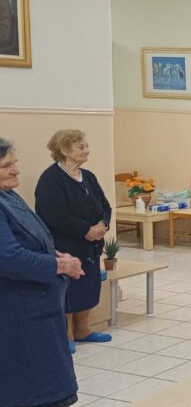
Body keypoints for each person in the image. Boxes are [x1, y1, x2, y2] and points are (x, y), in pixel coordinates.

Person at [0, 138, 83, 407]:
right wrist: (58, 265)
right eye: (7, 166)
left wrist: (55, 254)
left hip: (33, 306)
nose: (16, 170)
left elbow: (28, 241)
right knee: (41, 386)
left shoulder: (7, 196)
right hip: (19, 313)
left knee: (22, 386)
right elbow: (8, 258)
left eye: (14, 162)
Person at [34, 129, 113, 349]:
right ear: (64, 149)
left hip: (91, 246)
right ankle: (66, 335)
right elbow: (54, 215)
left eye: (87, 146)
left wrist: (103, 224)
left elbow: (105, 206)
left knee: (87, 286)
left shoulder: (88, 176)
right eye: (81, 146)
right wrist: (85, 230)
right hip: (66, 245)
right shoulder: (51, 179)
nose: (86, 150)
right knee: (69, 291)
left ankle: (83, 330)